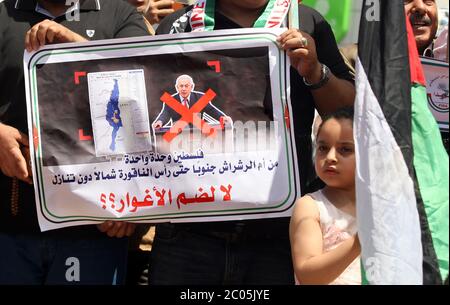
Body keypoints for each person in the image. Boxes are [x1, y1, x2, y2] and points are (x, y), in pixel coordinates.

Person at [148, 0, 355, 285]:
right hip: (188, 235)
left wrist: (315, 71)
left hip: (278, 235)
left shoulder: (304, 21)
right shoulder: (176, 26)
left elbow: (348, 115)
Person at [0, 0, 150, 284]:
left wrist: (78, 47)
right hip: (8, 226)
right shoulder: (2, 13)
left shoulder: (120, 15)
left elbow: (144, 96)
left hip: (95, 228)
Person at [290, 107, 360, 285]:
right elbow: (308, 276)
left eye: (345, 149)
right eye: (323, 148)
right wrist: (360, 241)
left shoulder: (383, 209)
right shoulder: (310, 206)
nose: (330, 157)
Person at [404, 0, 449, 153]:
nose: (421, 8)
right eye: (406, 0)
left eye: (428, 1)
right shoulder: (356, 59)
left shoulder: (444, 53)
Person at [152, 74, 231, 131]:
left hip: (198, 134)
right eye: (181, 86)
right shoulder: (170, 101)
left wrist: (222, 117)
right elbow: (165, 114)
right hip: (178, 137)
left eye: (186, 86)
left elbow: (212, 110)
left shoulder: (201, 98)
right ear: (177, 87)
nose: (183, 89)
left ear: (192, 87)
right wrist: (160, 122)